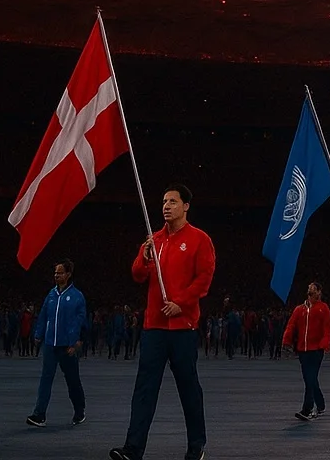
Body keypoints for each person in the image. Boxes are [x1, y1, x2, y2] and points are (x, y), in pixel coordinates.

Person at [111, 184, 216, 460]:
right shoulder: (154, 240)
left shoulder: (199, 239)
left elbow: (203, 279)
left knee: (188, 388)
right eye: (163, 201)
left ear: (186, 206)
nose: (166, 206)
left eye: (172, 201)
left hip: (183, 328)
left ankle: (196, 445)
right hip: (154, 327)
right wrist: (143, 257)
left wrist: (180, 303)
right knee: (144, 388)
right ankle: (133, 449)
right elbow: (137, 274)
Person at [26, 259, 87, 428]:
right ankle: (39, 414)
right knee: (45, 379)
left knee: (72, 380)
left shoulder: (77, 296)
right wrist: (38, 334)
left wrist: (73, 342)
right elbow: (44, 315)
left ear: (68, 274)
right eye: (55, 273)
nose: (56, 276)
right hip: (50, 345)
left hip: (67, 347)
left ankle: (79, 411)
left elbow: (79, 321)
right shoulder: (51, 295)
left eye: (59, 273)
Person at [283, 282, 330, 421]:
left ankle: (307, 409)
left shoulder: (323, 308)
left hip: (316, 350)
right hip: (303, 350)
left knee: (310, 378)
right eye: (309, 288)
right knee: (309, 379)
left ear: (319, 292)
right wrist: (286, 339)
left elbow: (327, 328)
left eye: (313, 289)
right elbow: (291, 324)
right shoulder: (299, 309)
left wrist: (325, 343)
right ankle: (320, 404)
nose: (310, 291)